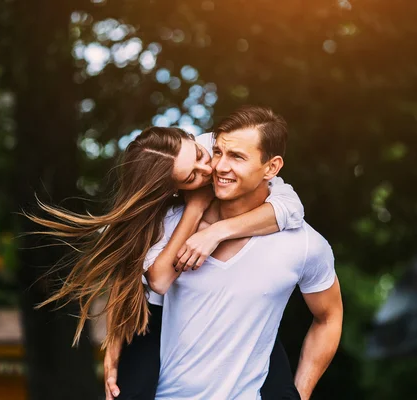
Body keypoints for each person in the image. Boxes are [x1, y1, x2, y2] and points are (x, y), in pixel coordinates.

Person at [27, 125, 304, 399]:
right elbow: (151, 280)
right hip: (157, 315)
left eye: (198, 155)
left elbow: (290, 207)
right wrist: (194, 208)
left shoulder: (219, 148)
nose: (208, 170)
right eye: (191, 176)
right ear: (171, 189)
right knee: (129, 392)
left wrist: (217, 232)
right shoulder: (156, 219)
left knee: (276, 384)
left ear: (193, 139)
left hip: (231, 304)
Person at [145, 106, 344, 400]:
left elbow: (329, 317)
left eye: (237, 157)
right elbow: (133, 291)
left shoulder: (304, 244)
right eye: (217, 152)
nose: (220, 167)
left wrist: (299, 394)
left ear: (272, 168)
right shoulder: (170, 222)